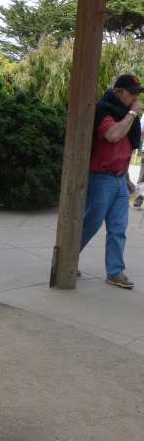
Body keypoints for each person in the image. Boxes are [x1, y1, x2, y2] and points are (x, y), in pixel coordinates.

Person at [79, 74, 143, 289]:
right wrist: (133, 113)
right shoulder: (104, 110)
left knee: (118, 228)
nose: (135, 98)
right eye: (131, 93)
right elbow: (113, 135)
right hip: (101, 178)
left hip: (119, 179)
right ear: (118, 92)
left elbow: (124, 149)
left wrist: (127, 178)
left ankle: (115, 272)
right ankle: (66, 259)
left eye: (137, 94)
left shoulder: (125, 115)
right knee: (90, 224)